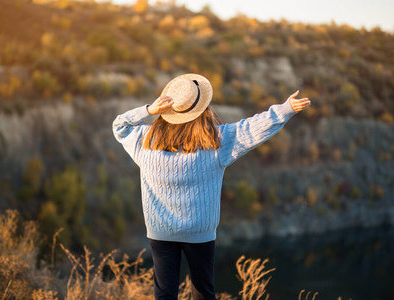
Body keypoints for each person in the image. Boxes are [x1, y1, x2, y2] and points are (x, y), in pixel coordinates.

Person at [112, 73, 310, 300]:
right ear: (203, 110)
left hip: (161, 230)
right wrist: (285, 109)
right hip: (200, 232)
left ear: (166, 110)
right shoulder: (216, 142)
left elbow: (119, 125)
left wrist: (148, 110)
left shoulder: (144, 141)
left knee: (164, 294)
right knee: (204, 293)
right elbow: (252, 128)